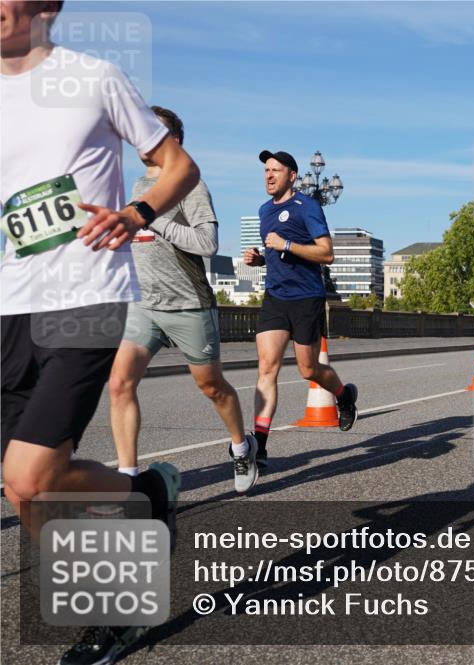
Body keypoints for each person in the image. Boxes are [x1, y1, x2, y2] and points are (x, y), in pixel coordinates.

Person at [1, 3, 198, 662]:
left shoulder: (94, 77)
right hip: (9, 306)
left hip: (85, 295)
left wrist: (136, 211)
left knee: (30, 477)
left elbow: (179, 166)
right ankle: (141, 503)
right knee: (24, 485)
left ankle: (120, 592)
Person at [108, 106, 258, 493]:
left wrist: (151, 217)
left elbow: (207, 244)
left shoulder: (192, 186)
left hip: (188, 303)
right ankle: (129, 481)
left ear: (173, 141)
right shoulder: (136, 187)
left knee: (212, 387)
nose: (141, 137)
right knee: (120, 384)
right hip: (144, 305)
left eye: (152, 130)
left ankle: (242, 447)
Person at [243, 150, 357, 466]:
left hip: (306, 298)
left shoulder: (307, 206)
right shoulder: (264, 210)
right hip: (275, 297)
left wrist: (287, 245)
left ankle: (343, 396)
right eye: (266, 170)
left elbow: (327, 254)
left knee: (308, 369)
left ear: (292, 176)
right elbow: (277, 255)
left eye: (275, 170)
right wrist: (260, 259)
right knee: (267, 369)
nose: (269, 176)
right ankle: (260, 447)